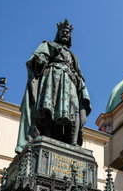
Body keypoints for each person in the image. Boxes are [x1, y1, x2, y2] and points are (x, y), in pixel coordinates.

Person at [16, 19, 91, 153]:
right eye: (63, 31)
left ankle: (73, 142)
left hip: (70, 82)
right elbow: (39, 58)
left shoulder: (74, 56)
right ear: (58, 33)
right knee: (48, 106)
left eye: (68, 33)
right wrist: (39, 60)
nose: (66, 34)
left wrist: (80, 82)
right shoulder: (48, 44)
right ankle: (46, 137)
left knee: (74, 108)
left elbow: (79, 73)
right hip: (52, 78)